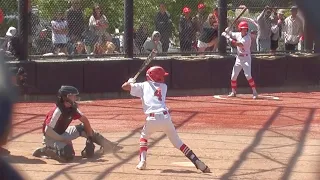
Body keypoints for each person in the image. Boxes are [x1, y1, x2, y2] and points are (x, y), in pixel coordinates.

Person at [121, 66, 210, 173]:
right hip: (166, 117)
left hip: (152, 119)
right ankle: (197, 162)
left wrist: (130, 82)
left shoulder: (143, 85)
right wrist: (132, 84)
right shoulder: (164, 87)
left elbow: (124, 87)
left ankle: (142, 161)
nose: (163, 78)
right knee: (178, 143)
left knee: (144, 138)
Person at [32, 85, 122, 162]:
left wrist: (90, 138)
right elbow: (48, 131)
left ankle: (108, 146)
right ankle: (46, 150)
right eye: (73, 96)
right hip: (51, 137)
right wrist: (63, 139)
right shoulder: (57, 111)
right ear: (66, 97)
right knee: (69, 155)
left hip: (63, 133)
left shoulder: (72, 108)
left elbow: (85, 121)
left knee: (84, 128)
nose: (75, 98)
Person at [222, 21, 259, 99]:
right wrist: (228, 30)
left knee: (248, 76)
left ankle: (255, 92)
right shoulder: (238, 34)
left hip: (246, 59)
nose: (244, 30)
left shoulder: (247, 38)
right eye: (242, 29)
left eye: (245, 29)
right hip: (239, 58)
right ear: (240, 29)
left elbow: (238, 44)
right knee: (233, 76)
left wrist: (227, 37)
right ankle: (233, 92)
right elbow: (232, 33)